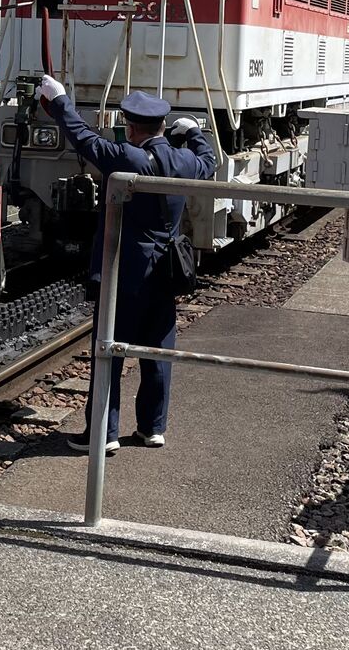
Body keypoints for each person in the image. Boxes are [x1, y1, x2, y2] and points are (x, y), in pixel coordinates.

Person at [37, 75, 216, 453]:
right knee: (158, 350)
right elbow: (208, 160)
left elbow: (83, 139)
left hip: (125, 270)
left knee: (109, 350)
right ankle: (152, 428)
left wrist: (61, 101)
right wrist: (193, 132)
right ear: (163, 126)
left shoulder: (129, 157)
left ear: (131, 128)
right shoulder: (185, 161)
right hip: (166, 269)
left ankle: (104, 434)